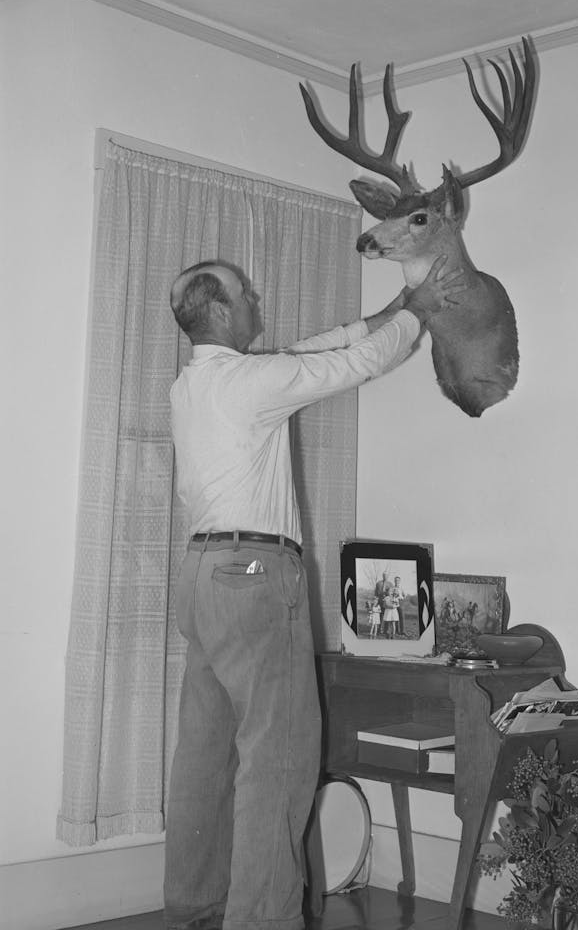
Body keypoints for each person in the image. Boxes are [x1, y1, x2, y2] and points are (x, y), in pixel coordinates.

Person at [164, 254, 465, 930]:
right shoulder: (248, 382)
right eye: (246, 292)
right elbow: (349, 366)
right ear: (218, 311)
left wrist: (391, 310)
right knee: (278, 760)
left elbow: (305, 352)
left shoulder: (194, 384)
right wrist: (418, 314)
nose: (256, 297)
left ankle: (196, 911)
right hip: (253, 581)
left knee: (205, 759)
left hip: (201, 580)